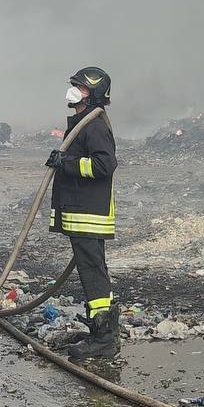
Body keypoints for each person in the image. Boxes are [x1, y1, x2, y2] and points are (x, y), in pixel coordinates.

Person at [47, 66, 119, 360]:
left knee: (92, 273)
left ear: (94, 93)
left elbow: (104, 165)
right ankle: (103, 332)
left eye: (81, 87)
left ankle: (104, 339)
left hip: (88, 214)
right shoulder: (83, 122)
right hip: (81, 213)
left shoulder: (94, 125)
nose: (74, 90)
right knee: (93, 271)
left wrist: (66, 163)